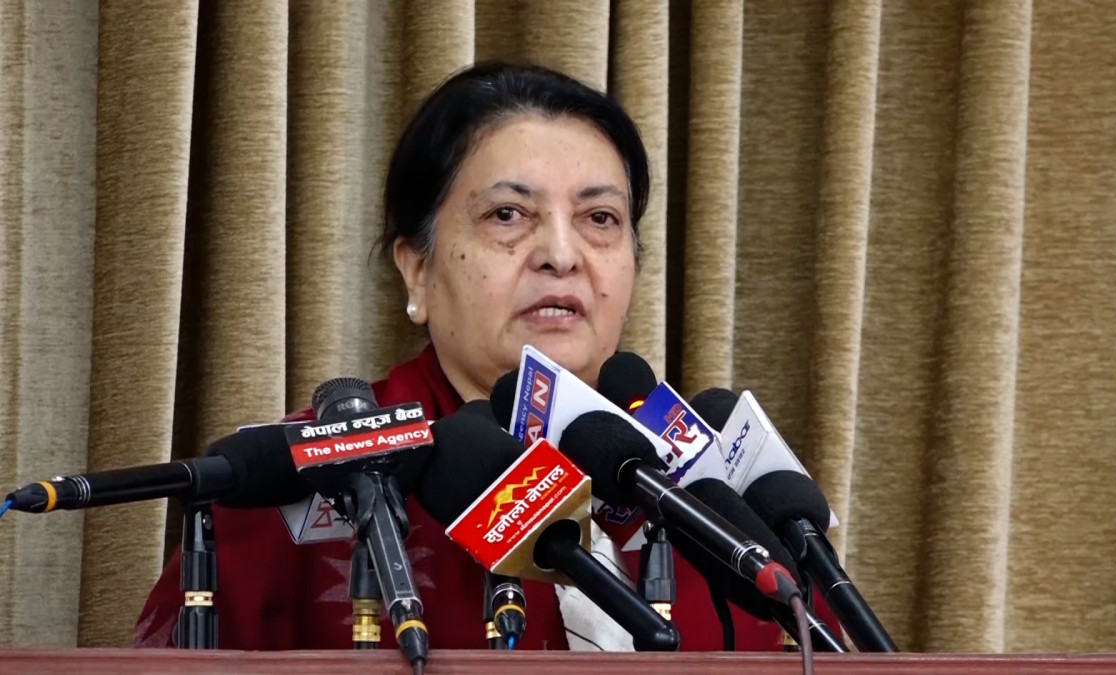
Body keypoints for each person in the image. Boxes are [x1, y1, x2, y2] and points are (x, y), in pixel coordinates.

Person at [134, 61, 839, 652]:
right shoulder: (307, 482)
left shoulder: (707, 490)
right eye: (508, 215)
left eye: (599, 219)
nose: (561, 254)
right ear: (417, 270)